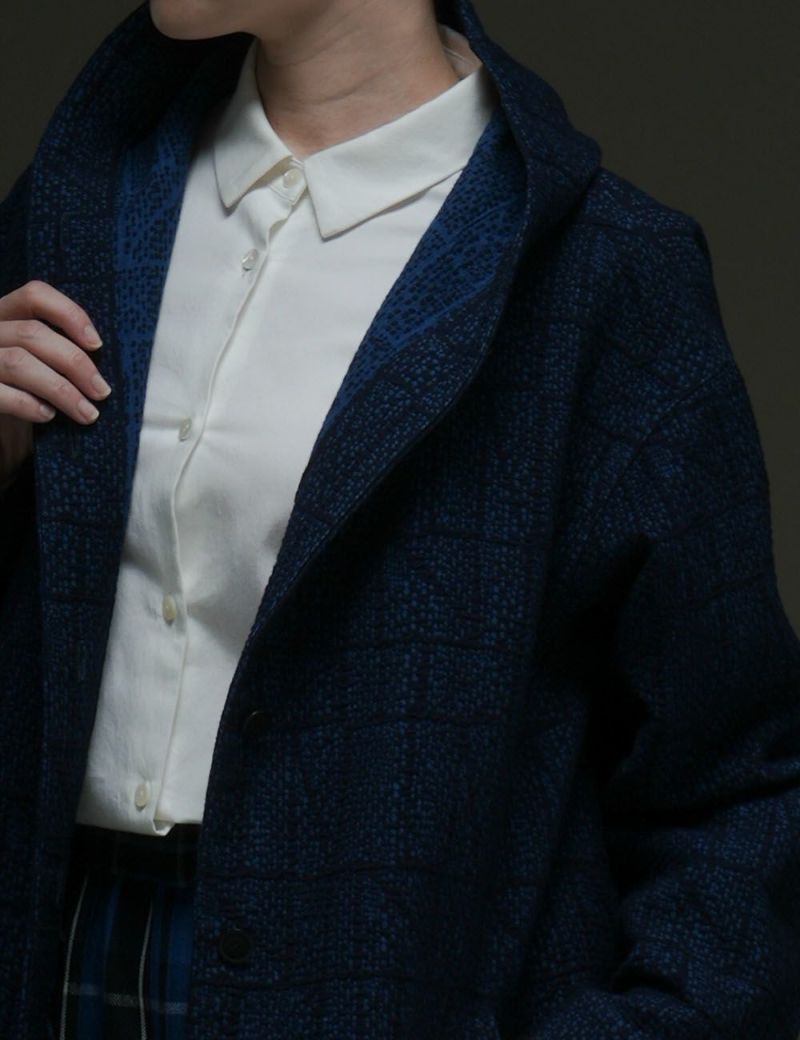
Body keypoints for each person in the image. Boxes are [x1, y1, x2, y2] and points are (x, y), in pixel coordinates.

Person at [1, 0, 799, 1037]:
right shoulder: (82, 201)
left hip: (393, 992)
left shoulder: (599, 276)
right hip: (58, 955)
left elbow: (737, 781)